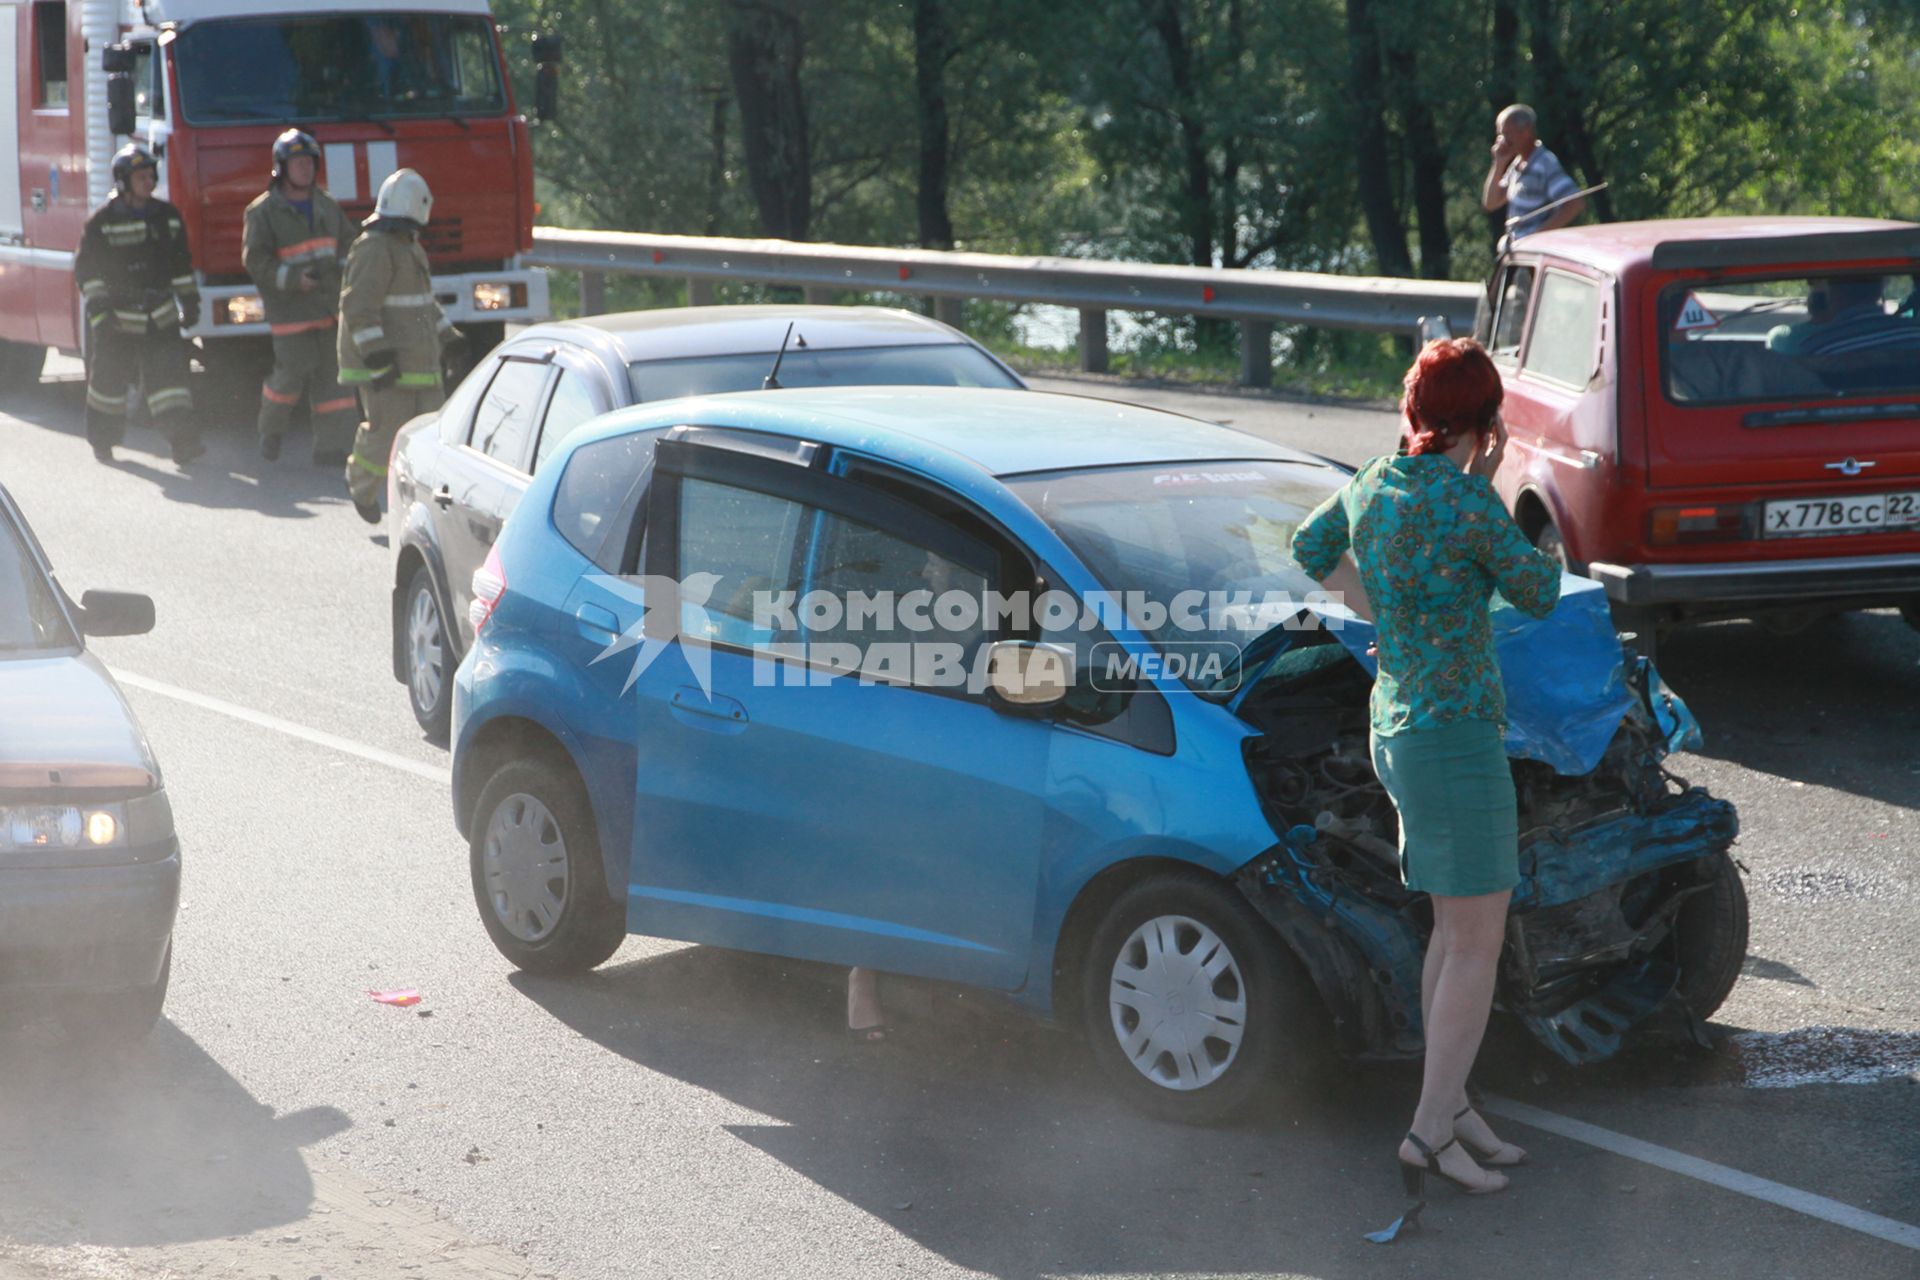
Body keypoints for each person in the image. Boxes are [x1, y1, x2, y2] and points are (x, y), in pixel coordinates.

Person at [1290, 338, 1560, 1202]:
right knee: (1475, 940)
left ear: (1413, 413)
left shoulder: (1374, 482)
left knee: (1453, 930)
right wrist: (1496, 480)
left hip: (1399, 726)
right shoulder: (1471, 505)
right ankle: (1429, 1131)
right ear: (1483, 421)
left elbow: (1308, 544)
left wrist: (1372, 610)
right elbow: (1540, 590)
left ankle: (1455, 1104)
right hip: (1456, 739)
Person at [337, 168, 462, 524]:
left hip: (421, 363)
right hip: (386, 365)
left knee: (431, 438)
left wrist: (449, 338)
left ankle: (420, 507)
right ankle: (360, 486)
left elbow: (423, 303)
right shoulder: (373, 249)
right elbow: (359, 309)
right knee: (384, 435)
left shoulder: (410, 246)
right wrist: (377, 358)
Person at [74, 145, 205, 466]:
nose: (148, 182)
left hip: (159, 317)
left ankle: (183, 444)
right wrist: (101, 312)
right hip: (117, 321)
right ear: (123, 181)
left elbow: (180, 265)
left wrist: (190, 302)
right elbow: (88, 272)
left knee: (171, 385)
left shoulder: (167, 217)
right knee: (108, 385)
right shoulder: (101, 223)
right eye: (140, 176)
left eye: (150, 175)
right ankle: (103, 442)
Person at [243, 129, 358, 464]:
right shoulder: (262, 212)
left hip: (328, 309)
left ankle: (331, 448)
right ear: (282, 167)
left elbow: (348, 245)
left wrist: (343, 274)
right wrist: (293, 279)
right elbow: (255, 260)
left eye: (309, 162)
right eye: (297, 163)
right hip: (291, 311)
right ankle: (272, 431)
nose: (305, 169)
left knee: (334, 380)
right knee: (291, 375)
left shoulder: (326, 205)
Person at [1480, 104, 1584, 241]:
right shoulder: (1517, 164)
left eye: (1507, 134)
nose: (1502, 141)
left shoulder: (1544, 163)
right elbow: (1490, 203)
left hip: (1536, 254)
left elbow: (1575, 203)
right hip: (1519, 253)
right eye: (1500, 135)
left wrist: (1535, 236)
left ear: (1526, 131)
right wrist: (1498, 164)